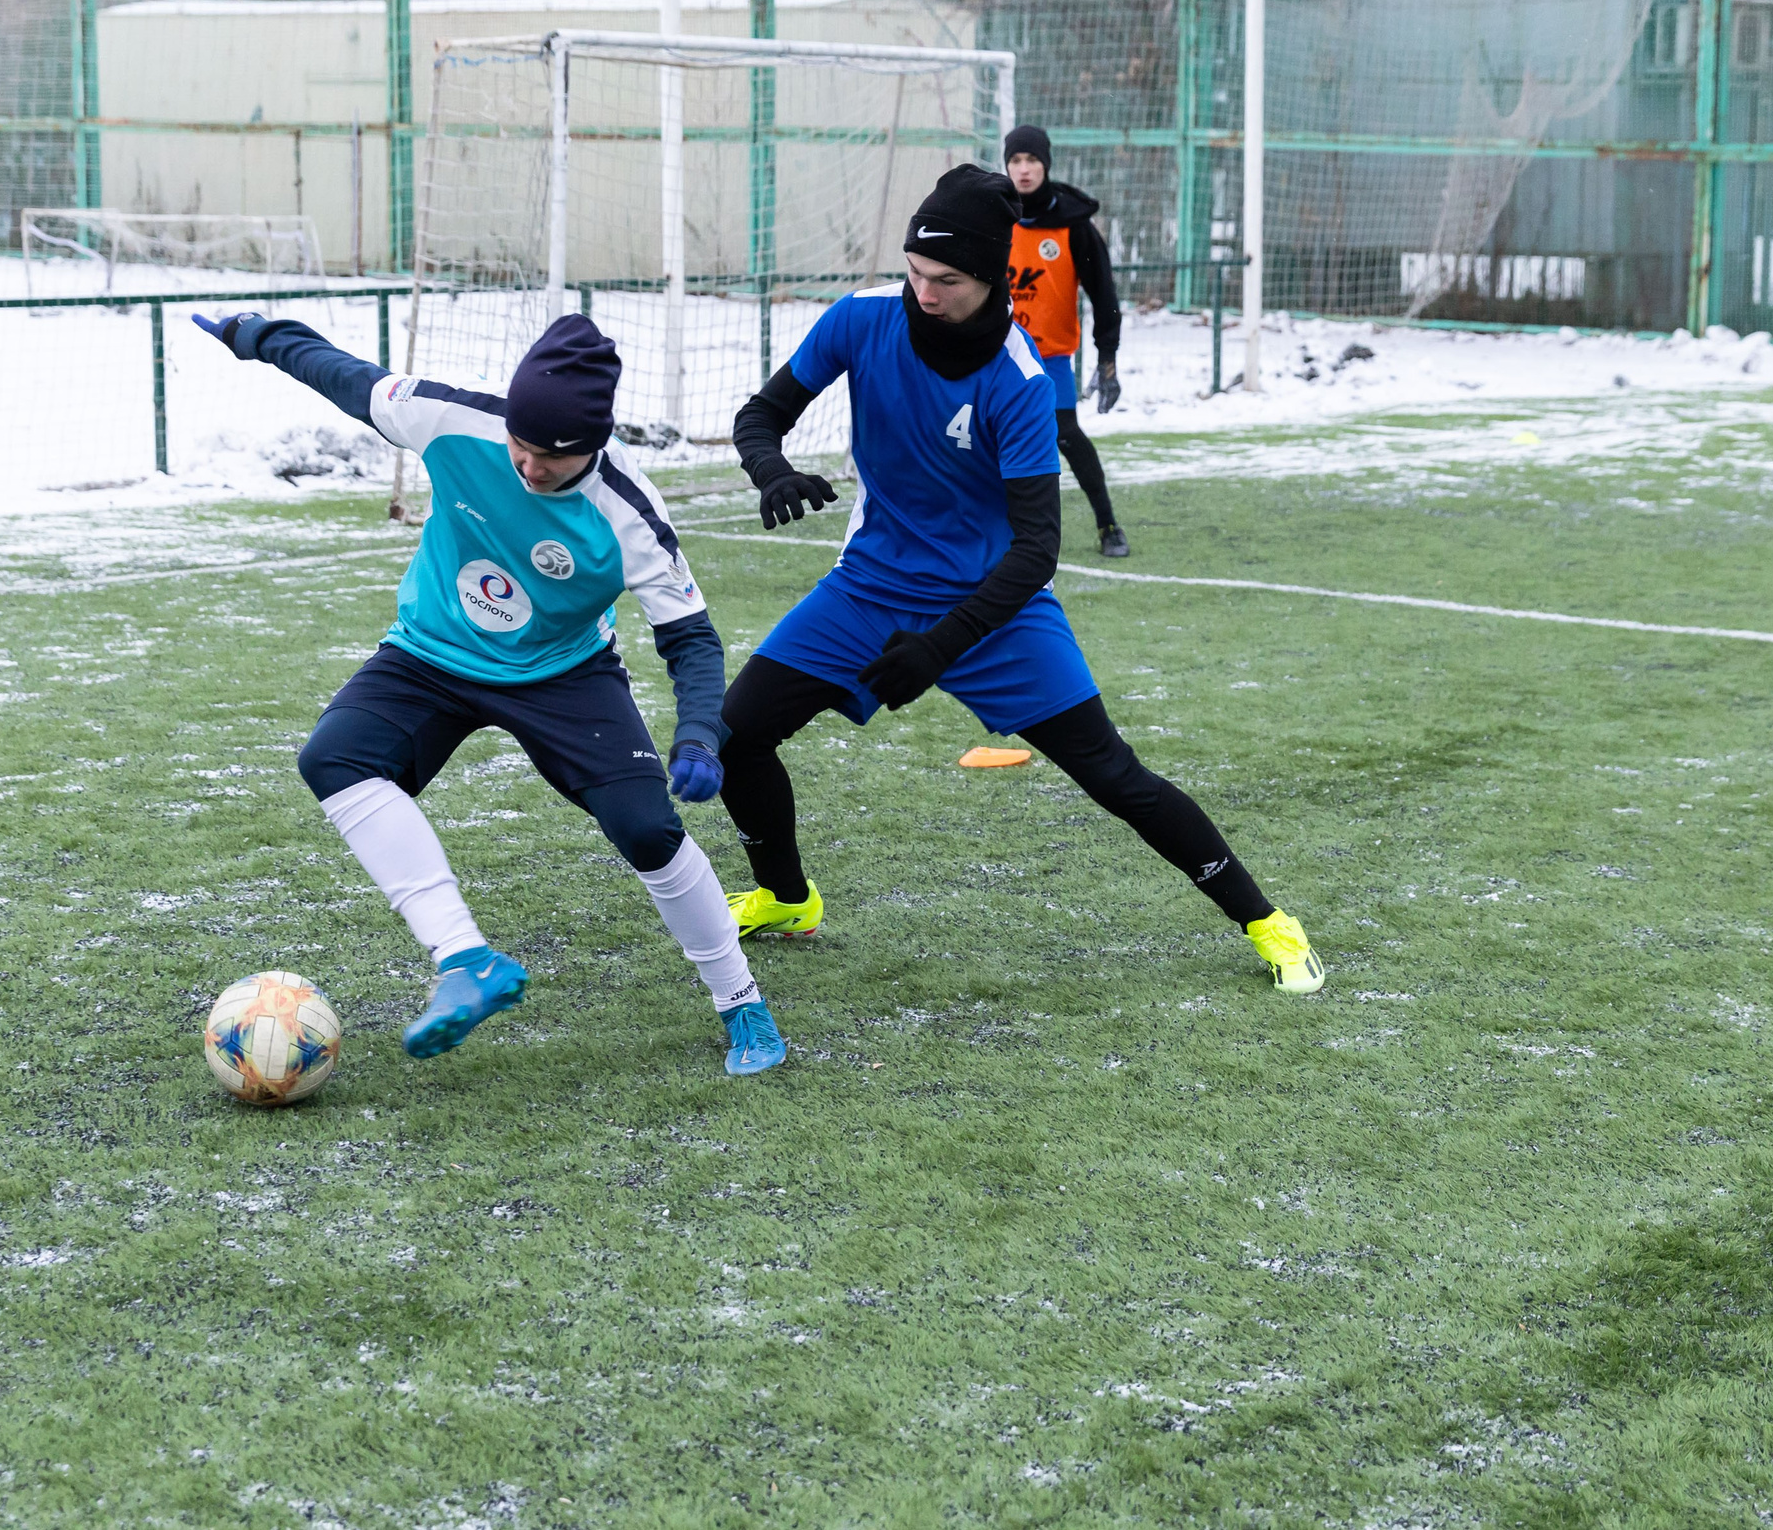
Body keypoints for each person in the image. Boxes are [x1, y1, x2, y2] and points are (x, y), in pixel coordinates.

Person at [712, 163, 1324, 995]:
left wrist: (937, 650)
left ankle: (1266, 921)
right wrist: (770, 469)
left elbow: (1037, 550)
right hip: (868, 587)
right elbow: (759, 415)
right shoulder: (859, 320)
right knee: (737, 733)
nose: (924, 293)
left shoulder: (1019, 380)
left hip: (993, 607)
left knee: (1113, 774)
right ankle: (788, 899)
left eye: (947, 280)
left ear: (993, 276)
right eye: (915, 273)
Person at [189, 307, 788, 1075]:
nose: (530, 467)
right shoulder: (448, 418)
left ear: (595, 447)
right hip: (431, 652)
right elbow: (340, 374)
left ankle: (741, 1002)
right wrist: (255, 336)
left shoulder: (628, 511)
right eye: (521, 445)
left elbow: (691, 639)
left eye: (553, 458)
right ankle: (465, 960)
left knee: (647, 829)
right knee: (334, 758)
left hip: (563, 673)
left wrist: (700, 735)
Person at [1001, 124, 1130, 559]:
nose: (1023, 170)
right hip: (993, 354)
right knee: (978, 438)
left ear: (1046, 165)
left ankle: (1108, 523)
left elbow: (1104, 293)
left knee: (1065, 435)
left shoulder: (1073, 227)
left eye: (1031, 160)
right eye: (1015, 161)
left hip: (1047, 356)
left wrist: (1106, 358)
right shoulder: (994, 214)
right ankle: (985, 531)